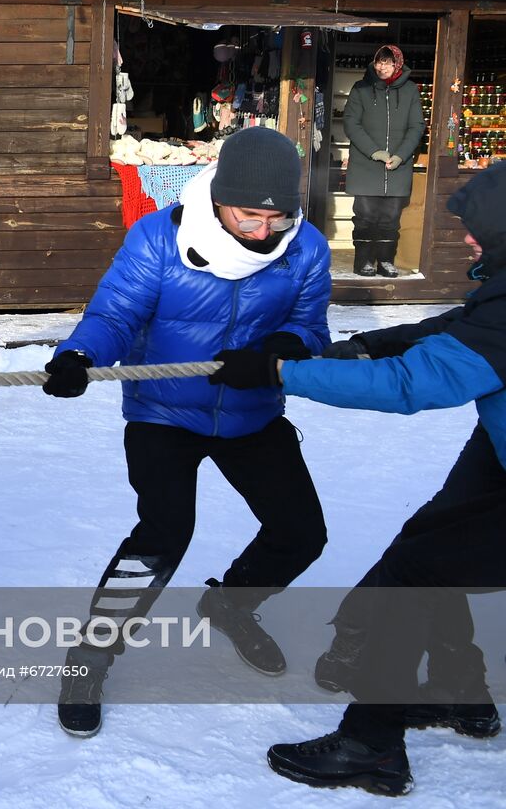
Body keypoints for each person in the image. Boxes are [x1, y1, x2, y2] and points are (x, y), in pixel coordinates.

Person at [212, 162, 506, 797]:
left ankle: (370, 746)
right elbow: (457, 329)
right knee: (427, 541)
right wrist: (363, 347)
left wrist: (278, 375)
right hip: (500, 444)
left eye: (479, 230)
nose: (468, 240)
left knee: (413, 572)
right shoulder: (503, 294)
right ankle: (461, 691)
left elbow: (410, 386)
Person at [42, 126, 332, 738]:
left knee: (302, 531)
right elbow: (115, 315)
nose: (262, 233)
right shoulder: (159, 238)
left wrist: (285, 346)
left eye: (276, 219)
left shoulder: (304, 247)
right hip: (164, 412)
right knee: (164, 531)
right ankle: (90, 657)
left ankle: (233, 604)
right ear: (220, 197)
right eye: (249, 216)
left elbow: (311, 326)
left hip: (252, 411)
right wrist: (80, 357)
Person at [343, 43, 425, 278]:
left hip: (398, 168)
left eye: (388, 62)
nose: (382, 66)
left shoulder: (410, 90)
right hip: (366, 165)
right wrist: (374, 151)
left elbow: (416, 125)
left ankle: (386, 260)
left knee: (390, 219)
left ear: (397, 63)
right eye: (379, 61)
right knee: (365, 217)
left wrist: (400, 155)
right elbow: (351, 123)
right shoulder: (361, 88)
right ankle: (365, 261)